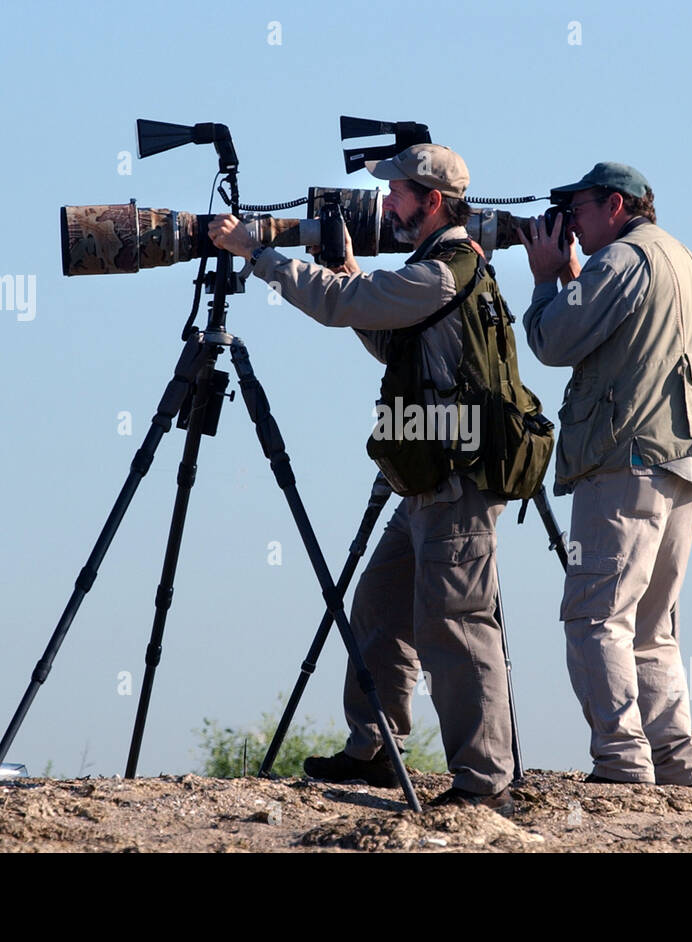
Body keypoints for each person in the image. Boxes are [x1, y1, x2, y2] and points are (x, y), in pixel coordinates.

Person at [206, 144, 518, 815]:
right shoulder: (438, 270)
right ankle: (375, 747)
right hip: (427, 474)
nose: (388, 206)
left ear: (432, 200)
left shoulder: (440, 274)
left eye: (398, 193)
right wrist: (347, 270)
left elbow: (335, 304)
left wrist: (254, 252)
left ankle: (484, 784)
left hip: (454, 479)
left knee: (457, 630)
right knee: (379, 603)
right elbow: (384, 332)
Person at [517, 162, 692, 786]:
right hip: (685, 456)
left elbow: (552, 342)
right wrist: (571, 276)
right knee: (651, 622)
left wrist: (545, 281)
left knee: (595, 614)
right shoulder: (678, 256)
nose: (571, 229)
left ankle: (620, 757)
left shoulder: (619, 261)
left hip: (626, 459)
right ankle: (678, 758)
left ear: (615, 205)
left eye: (578, 212)